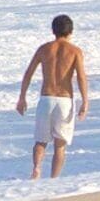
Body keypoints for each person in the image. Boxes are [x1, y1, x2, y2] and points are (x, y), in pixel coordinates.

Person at [14, 15, 88, 181]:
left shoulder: (44, 49)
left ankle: (36, 168)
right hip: (64, 100)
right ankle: (54, 179)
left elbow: (28, 73)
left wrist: (22, 98)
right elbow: (81, 77)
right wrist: (85, 101)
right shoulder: (75, 51)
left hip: (46, 99)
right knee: (60, 145)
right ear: (71, 31)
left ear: (53, 30)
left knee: (40, 141)